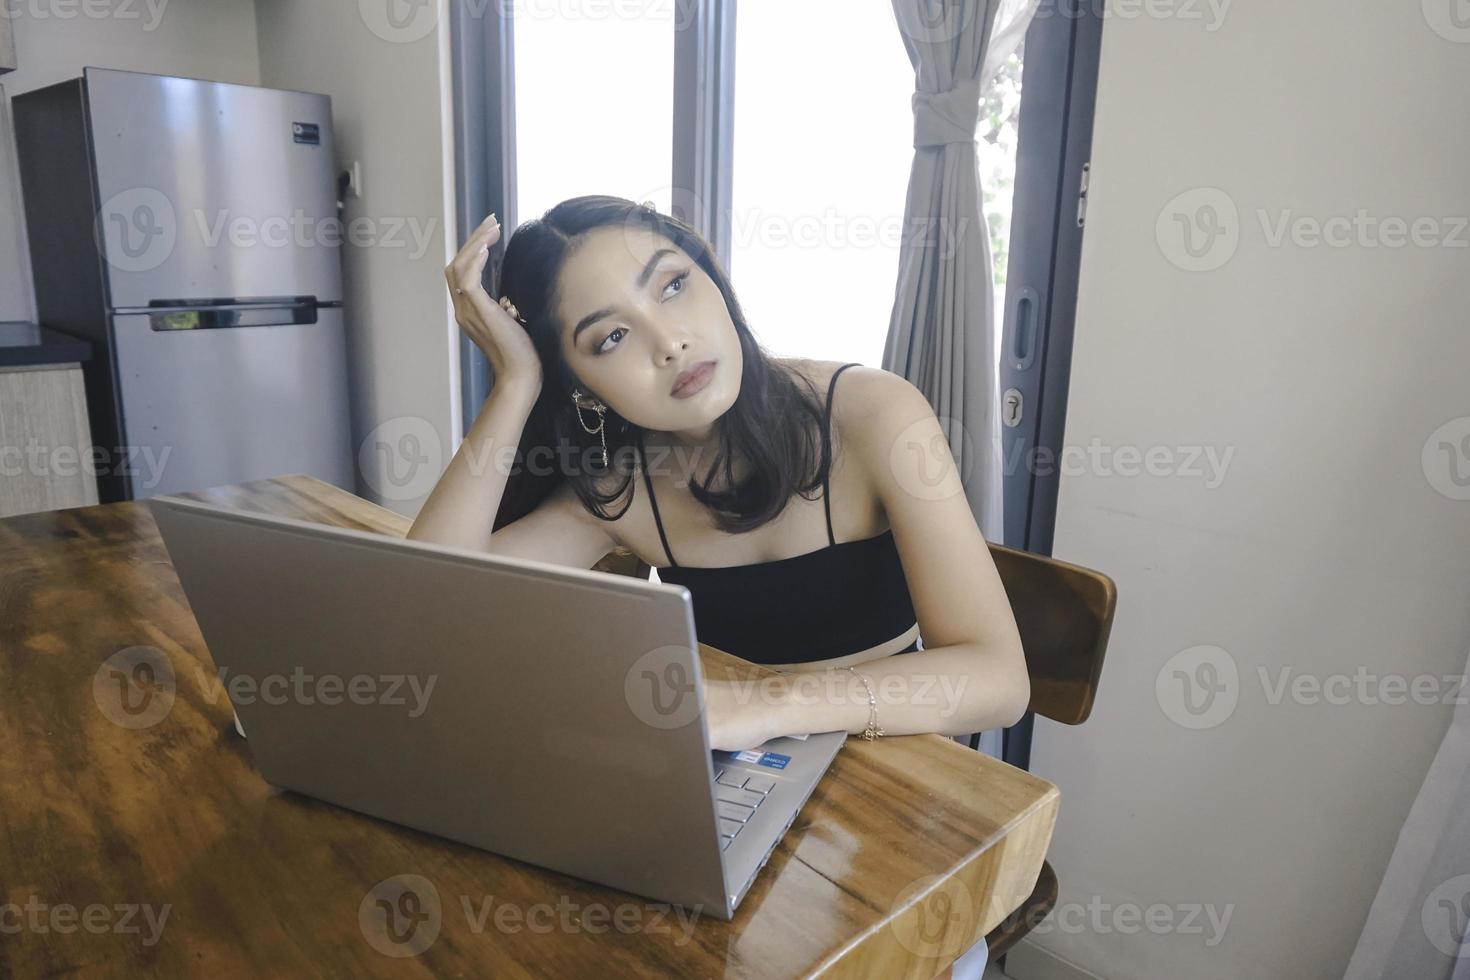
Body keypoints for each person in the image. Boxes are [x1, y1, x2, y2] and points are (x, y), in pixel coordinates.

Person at [407, 195, 1029, 755]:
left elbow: (1000, 679)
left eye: (673, 286)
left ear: (715, 280)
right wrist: (516, 382)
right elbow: (432, 609)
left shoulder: (873, 415)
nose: (670, 343)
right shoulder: (624, 487)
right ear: (582, 389)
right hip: (739, 776)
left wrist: (773, 705)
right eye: (612, 336)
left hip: (896, 765)